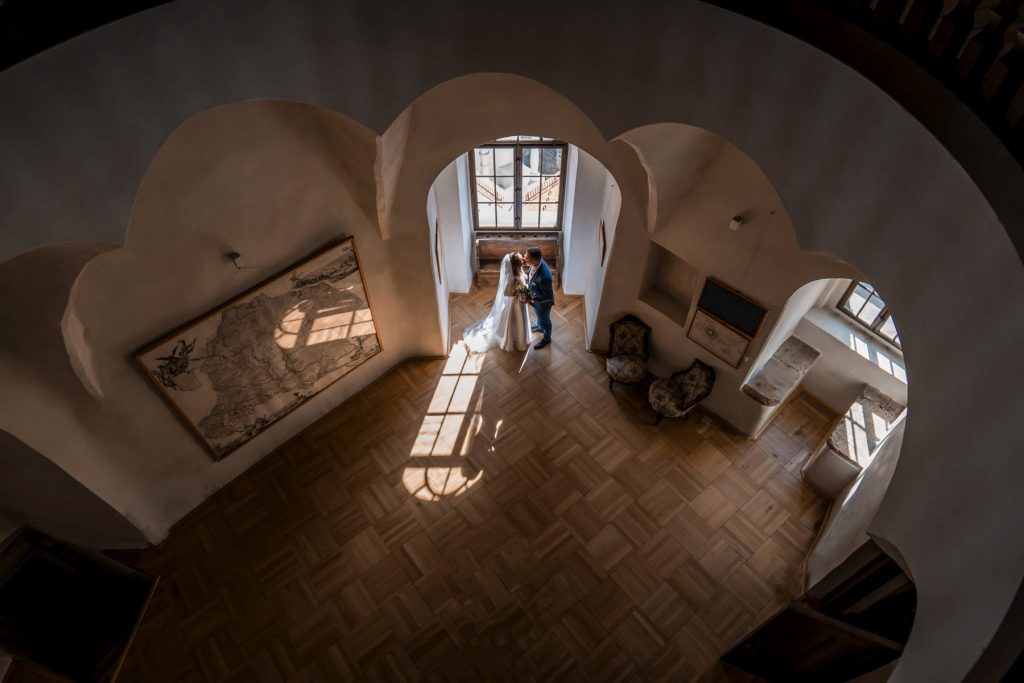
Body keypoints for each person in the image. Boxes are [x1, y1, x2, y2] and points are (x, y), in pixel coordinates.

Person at [463, 252, 532, 352]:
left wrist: (525, 291)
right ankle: (512, 341)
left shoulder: (520, 271)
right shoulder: (513, 279)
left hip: (521, 303)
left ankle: (520, 339)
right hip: (515, 304)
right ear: (516, 265)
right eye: (521, 259)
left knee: (521, 321)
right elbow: (506, 293)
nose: (523, 260)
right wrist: (519, 294)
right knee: (516, 320)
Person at [524, 247, 554, 349]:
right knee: (538, 316)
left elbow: (547, 296)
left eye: (526, 257)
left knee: (545, 320)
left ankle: (547, 338)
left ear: (533, 260)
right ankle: (540, 327)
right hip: (536, 300)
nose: (524, 257)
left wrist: (531, 299)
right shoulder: (537, 261)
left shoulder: (545, 277)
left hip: (543, 304)